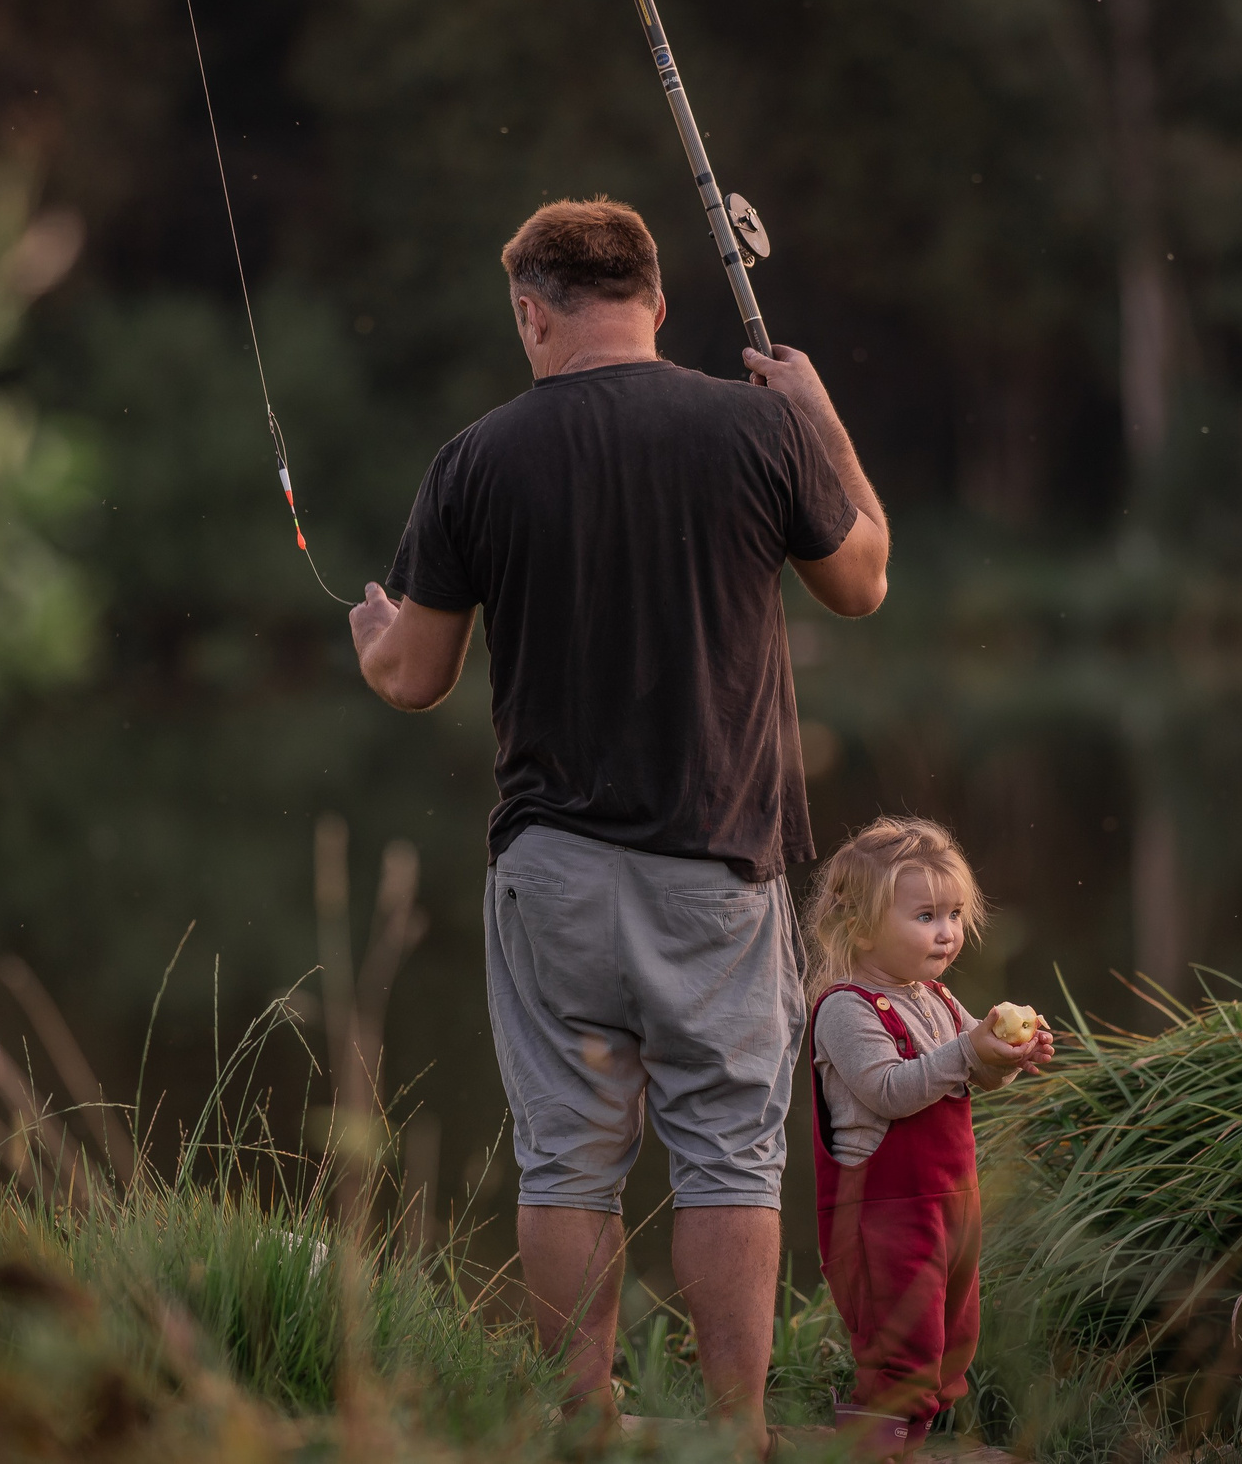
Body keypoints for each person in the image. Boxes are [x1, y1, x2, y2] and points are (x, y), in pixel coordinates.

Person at [348, 198, 890, 1436]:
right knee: (725, 1157)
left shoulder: (477, 456)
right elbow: (862, 580)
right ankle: (735, 1436)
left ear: (532, 314)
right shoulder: (757, 427)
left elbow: (413, 679)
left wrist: (375, 637)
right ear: (655, 302)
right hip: (717, 863)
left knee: (566, 1162)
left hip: (552, 876)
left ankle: (585, 1431)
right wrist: (821, 418)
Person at [804, 818, 1054, 1457]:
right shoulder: (845, 1007)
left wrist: (1004, 1057)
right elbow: (888, 1090)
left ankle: (910, 1444)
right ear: (860, 926)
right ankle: (874, 1447)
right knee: (901, 1351)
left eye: (954, 914)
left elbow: (971, 1075)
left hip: (951, 1204)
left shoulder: (938, 999)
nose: (947, 931)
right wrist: (972, 1048)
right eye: (925, 915)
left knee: (949, 1345)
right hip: (883, 1215)